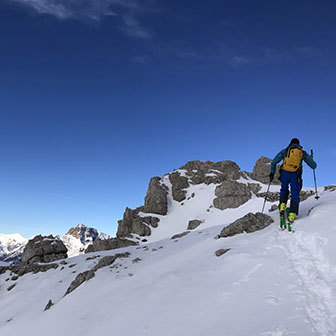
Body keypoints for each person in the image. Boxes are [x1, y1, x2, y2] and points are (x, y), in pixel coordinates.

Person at [269, 138, 317, 223]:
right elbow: (313, 166)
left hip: (285, 174)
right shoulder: (302, 153)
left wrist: (272, 173)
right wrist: (311, 159)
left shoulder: (286, 151)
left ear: (290, 143)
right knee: (295, 193)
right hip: (295, 175)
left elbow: (274, 162)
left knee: (284, 189)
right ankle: (292, 214)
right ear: (298, 144)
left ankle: (282, 206)